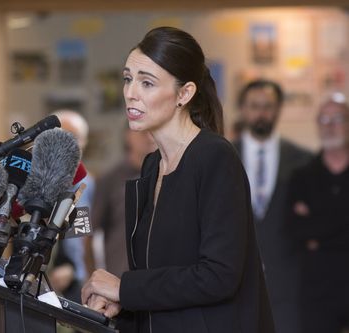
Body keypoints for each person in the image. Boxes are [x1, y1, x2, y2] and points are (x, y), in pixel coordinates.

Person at [81, 27, 274, 332]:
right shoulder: (151, 165)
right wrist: (122, 302)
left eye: (147, 83)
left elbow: (219, 276)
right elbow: (160, 277)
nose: (131, 93)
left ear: (184, 93)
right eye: (128, 79)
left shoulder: (214, 157)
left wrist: (124, 288)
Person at [233, 79, 312, 333]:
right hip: (235, 286)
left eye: (268, 106)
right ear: (243, 109)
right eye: (254, 106)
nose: (261, 112)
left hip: (288, 288)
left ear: (278, 109)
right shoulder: (222, 157)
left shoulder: (304, 161)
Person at [287, 93, 349, 333]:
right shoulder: (301, 176)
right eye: (324, 120)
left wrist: (318, 232)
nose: (330, 126)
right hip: (318, 291)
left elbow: (310, 230)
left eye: (337, 119)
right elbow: (295, 230)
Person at [86, 125, 155, 278]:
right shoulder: (110, 179)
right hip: (119, 277)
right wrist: (92, 277)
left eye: (154, 132)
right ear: (128, 135)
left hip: (156, 280)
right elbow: (88, 233)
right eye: (144, 132)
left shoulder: (166, 174)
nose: (150, 138)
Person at [48, 110, 95, 302]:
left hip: (79, 280)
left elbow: (82, 236)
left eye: (75, 138)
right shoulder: (36, 184)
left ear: (84, 143)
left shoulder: (88, 186)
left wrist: (75, 271)